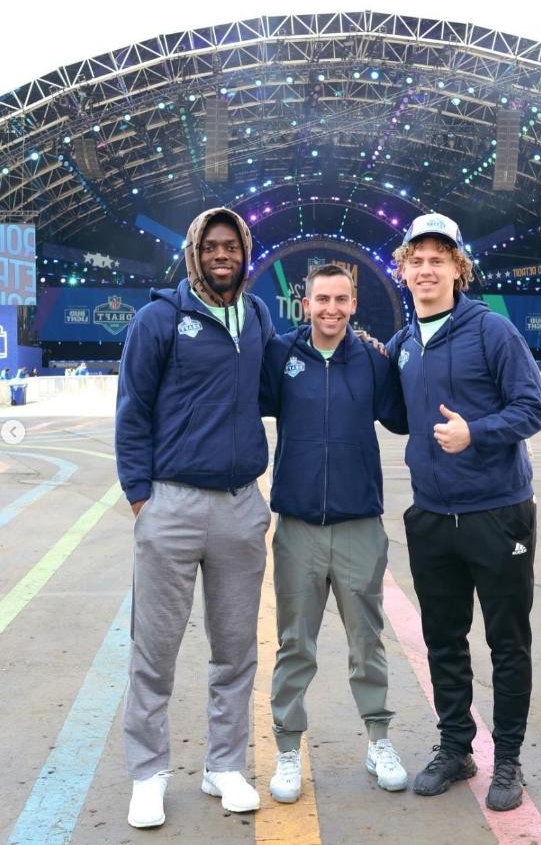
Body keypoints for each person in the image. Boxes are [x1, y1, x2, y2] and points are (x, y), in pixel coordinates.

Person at [115, 207, 274, 828]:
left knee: (235, 650)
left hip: (240, 506)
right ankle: (148, 774)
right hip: (172, 505)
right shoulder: (159, 319)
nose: (221, 254)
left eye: (231, 245)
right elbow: (132, 411)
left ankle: (224, 766)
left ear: (245, 252)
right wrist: (141, 498)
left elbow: (286, 379)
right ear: (192, 252)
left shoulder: (258, 317)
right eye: (210, 245)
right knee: (154, 652)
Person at [387, 213, 541, 811]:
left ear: (459, 267)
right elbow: (400, 416)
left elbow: (532, 409)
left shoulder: (492, 332)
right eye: (416, 259)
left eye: (439, 258)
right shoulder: (404, 345)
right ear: (402, 270)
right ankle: (456, 746)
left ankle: (507, 759)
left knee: (507, 641)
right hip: (432, 516)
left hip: (497, 513)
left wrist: (474, 432)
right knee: (443, 640)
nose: (426, 269)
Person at [260, 264, 409, 804]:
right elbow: (236, 400)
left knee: (366, 642)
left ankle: (378, 741)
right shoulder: (280, 357)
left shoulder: (372, 361)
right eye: (321, 298)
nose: (331, 308)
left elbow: (404, 413)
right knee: (295, 644)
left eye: (341, 299)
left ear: (354, 303)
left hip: (359, 526)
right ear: (304, 303)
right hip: (297, 527)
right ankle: (286, 750)